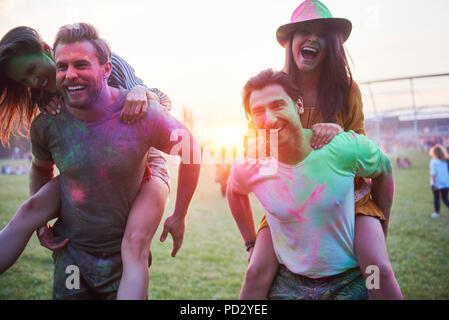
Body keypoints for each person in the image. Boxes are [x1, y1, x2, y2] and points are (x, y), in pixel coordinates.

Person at [0, 23, 202, 299]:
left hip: (141, 155)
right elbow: (41, 167)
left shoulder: (121, 80)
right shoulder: (46, 107)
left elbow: (187, 143)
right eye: (25, 80)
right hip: (89, 161)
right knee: (29, 211)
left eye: (34, 71)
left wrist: (142, 94)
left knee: (135, 243)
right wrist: (41, 223)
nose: (34, 81)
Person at [236, 0, 400, 300]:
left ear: (331, 45)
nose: (312, 38)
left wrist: (340, 131)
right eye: (304, 32)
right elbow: (255, 137)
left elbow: (362, 149)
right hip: (290, 195)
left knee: (378, 270)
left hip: (345, 196)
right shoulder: (277, 87)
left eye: (321, 33)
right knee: (255, 272)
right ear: (291, 42)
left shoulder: (346, 88)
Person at [429, 144, 449, 218]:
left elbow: (433, 173)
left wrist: (434, 184)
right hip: (446, 182)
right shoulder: (446, 161)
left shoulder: (433, 161)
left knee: (436, 198)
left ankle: (437, 213)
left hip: (437, 182)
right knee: (445, 199)